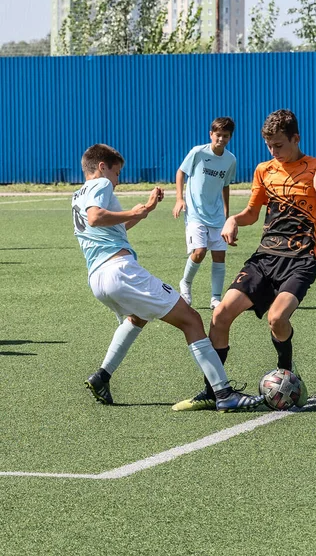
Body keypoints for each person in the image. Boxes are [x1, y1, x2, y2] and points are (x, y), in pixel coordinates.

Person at [172, 109, 316, 412]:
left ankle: (287, 376)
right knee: (221, 313)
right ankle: (214, 391)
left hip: (300, 260)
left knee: (277, 319)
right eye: (269, 146)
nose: (273, 151)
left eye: (279, 145)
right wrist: (234, 220)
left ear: (296, 138)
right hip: (264, 258)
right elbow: (252, 212)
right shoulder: (264, 170)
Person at [72, 143, 263, 413]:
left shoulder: (76, 195)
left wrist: (146, 210)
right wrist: (135, 211)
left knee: (137, 317)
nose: (116, 181)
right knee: (192, 320)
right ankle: (223, 393)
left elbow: (110, 226)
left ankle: (102, 376)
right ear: (102, 167)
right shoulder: (100, 185)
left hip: (98, 279)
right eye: (116, 174)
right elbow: (95, 218)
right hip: (120, 270)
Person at [172, 117, 236, 310]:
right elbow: (181, 172)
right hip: (195, 213)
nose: (221, 139)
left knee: (219, 256)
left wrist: (226, 211)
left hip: (216, 215)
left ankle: (215, 298)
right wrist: (179, 199)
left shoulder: (230, 159)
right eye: (218, 135)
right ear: (211, 135)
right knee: (199, 252)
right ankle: (186, 283)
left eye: (225, 136)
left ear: (230, 137)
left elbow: (225, 185)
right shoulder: (198, 152)